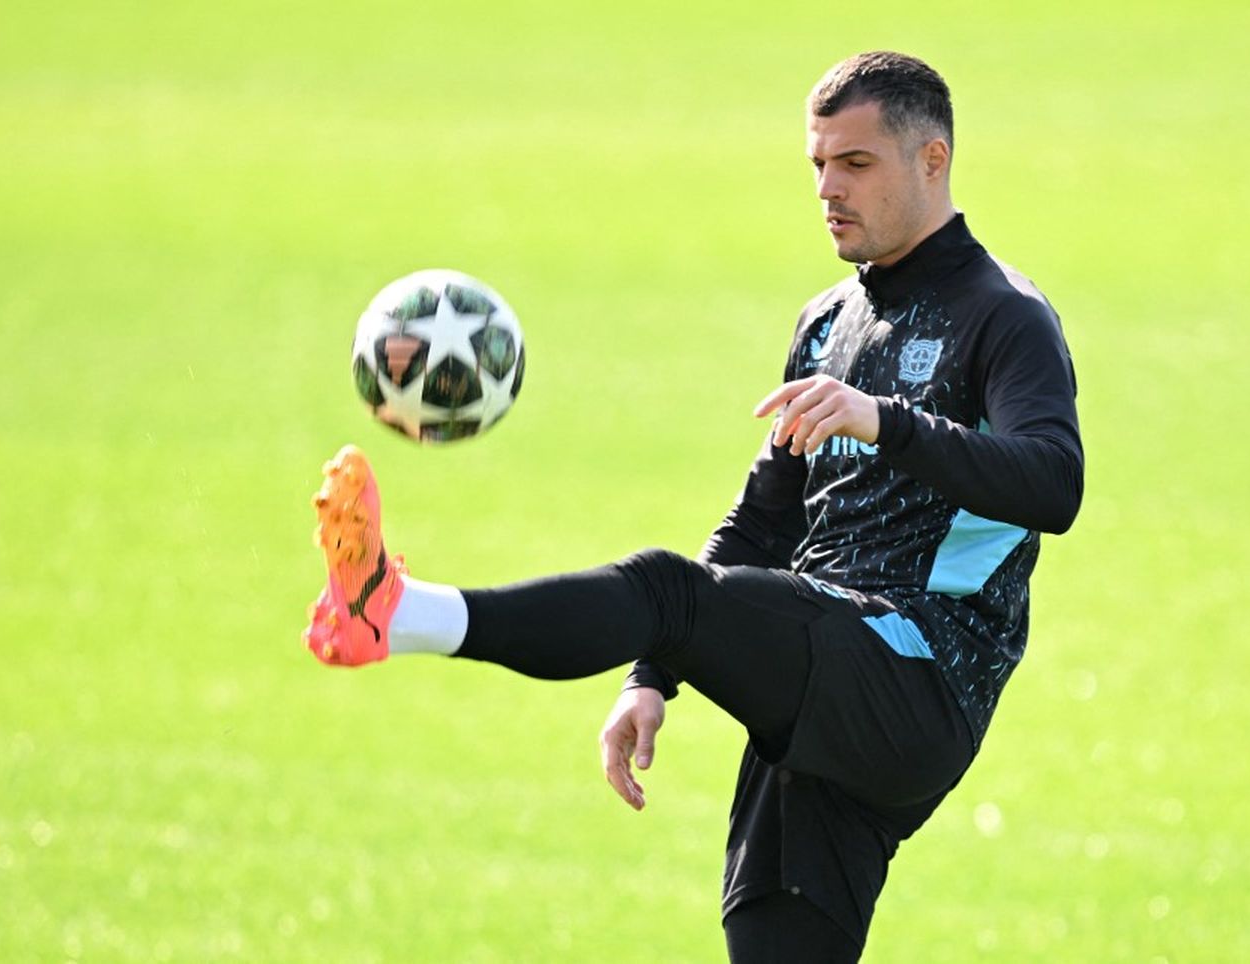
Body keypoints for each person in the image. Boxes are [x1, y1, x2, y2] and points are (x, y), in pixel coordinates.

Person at [302, 51, 1083, 963]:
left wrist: (885, 421)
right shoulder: (826, 323)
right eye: (818, 163)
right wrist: (651, 675)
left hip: (919, 672)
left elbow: (1053, 482)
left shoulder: (1005, 315)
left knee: (665, 590)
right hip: (821, 681)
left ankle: (398, 613)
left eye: (856, 163)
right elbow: (763, 523)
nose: (828, 188)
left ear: (933, 160)